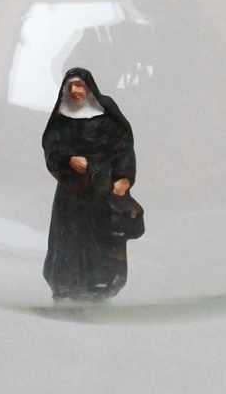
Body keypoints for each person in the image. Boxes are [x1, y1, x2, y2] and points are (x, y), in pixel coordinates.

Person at [42, 67, 136, 301]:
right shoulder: (61, 121)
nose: (76, 90)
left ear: (89, 88)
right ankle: (66, 285)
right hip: (71, 193)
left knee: (102, 238)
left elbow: (123, 148)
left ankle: (101, 285)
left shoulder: (105, 119)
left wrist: (123, 178)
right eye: (71, 86)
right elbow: (52, 148)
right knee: (69, 237)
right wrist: (68, 160)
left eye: (80, 85)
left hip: (101, 190)